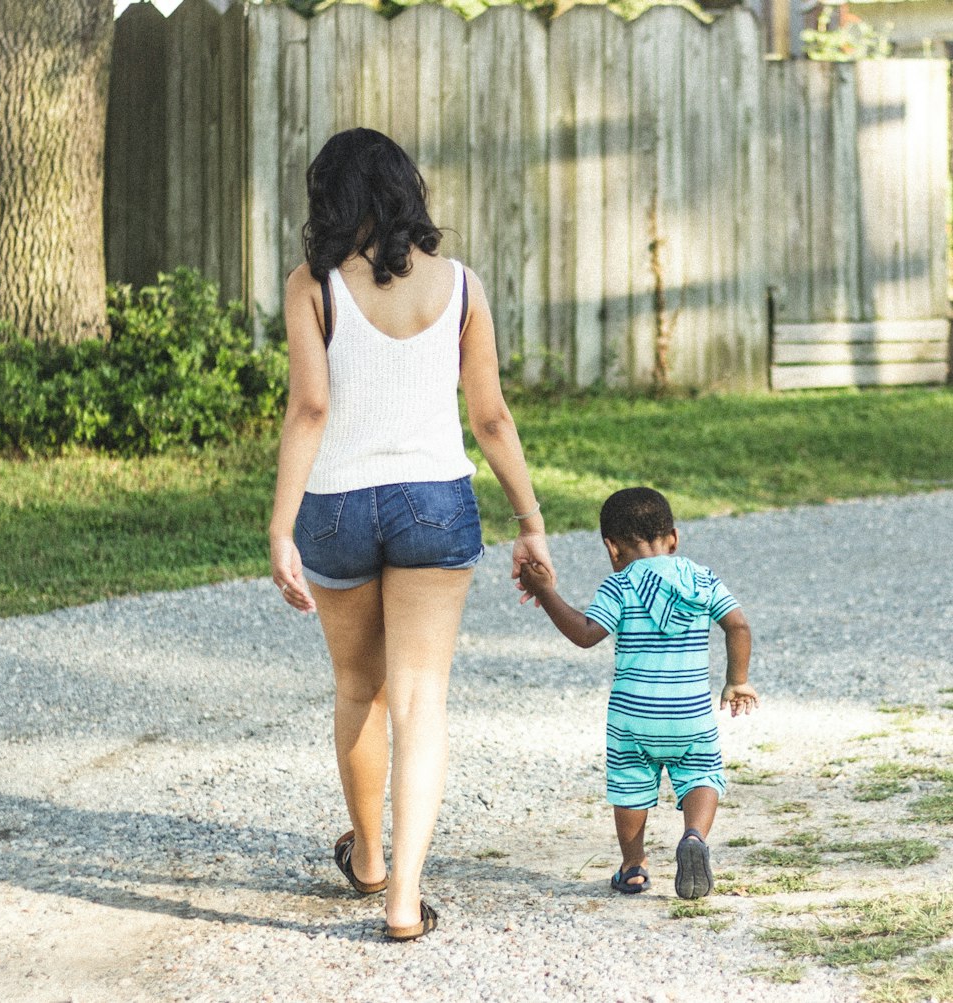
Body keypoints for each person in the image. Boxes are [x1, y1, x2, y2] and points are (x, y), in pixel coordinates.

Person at [269, 128, 555, 941]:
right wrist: (530, 522)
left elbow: (310, 409)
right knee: (422, 699)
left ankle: (366, 858)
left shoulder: (313, 284)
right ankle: (404, 897)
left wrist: (282, 525)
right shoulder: (460, 285)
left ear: (329, 199)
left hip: (336, 504)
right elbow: (491, 417)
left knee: (361, 687)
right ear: (406, 192)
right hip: (435, 499)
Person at [518, 486, 755, 899]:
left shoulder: (620, 585)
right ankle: (695, 838)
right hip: (691, 714)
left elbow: (586, 634)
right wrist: (737, 680)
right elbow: (738, 626)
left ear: (613, 548)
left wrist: (545, 591)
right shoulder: (702, 579)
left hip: (634, 717)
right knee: (701, 775)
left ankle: (632, 866)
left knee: (630, 786)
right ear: (674, 539)